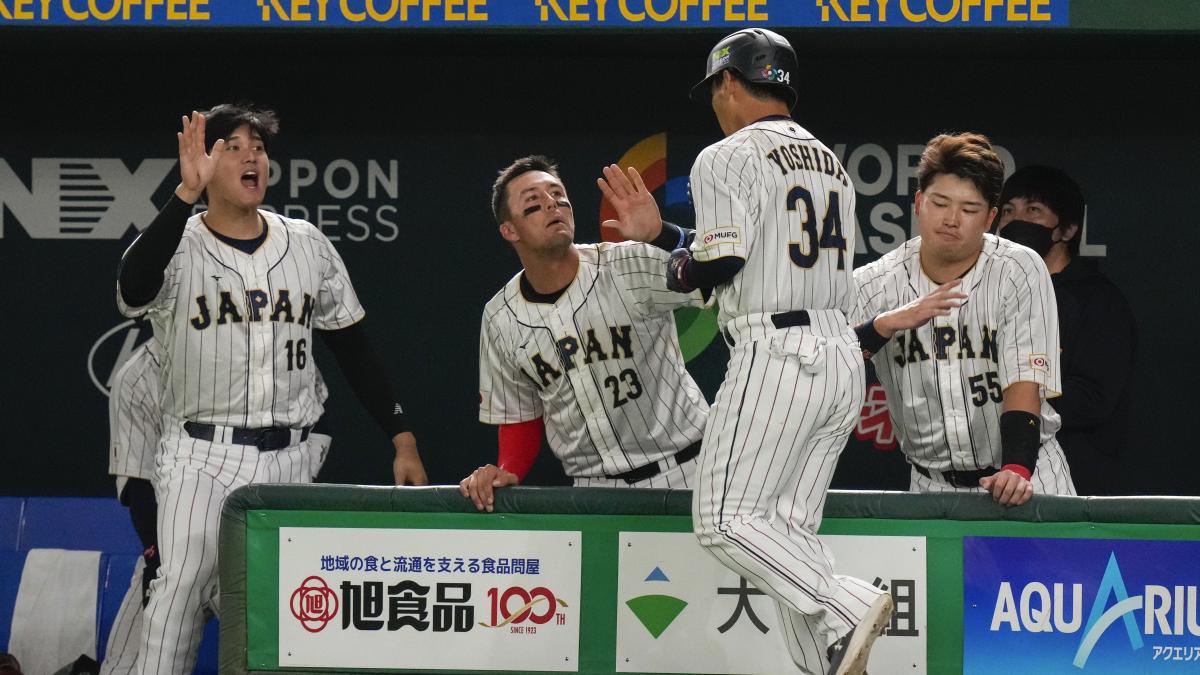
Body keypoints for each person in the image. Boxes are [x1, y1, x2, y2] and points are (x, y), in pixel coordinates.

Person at [114, 104, 425, 675]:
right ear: (205, 163)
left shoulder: (305, 242)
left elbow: (352, 345)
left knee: (281, 616)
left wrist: (400, 435)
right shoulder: (178, 243)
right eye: (230, 146)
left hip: (292, 456)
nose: (250, 155)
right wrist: (183, 195)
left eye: (257, 146)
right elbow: (133, 286)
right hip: (200, 455)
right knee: (176, 600)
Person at [642, 28, 893, 675]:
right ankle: (829, 656)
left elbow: (721, 258)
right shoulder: (829, 163)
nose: (715, 104)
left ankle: (846, 601)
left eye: (715, 91)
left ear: (729, 83)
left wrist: (675, 265)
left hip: (780, 353)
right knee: (784, 532)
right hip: (840, 355)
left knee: (723, 519)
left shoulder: (727, 154)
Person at [460, 156, 710, 511]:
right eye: (533, 203)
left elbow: (721, 268)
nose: (552, 205)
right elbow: (520, 414)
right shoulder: (500, 317)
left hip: (689, 471)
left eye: (559, 196)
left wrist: (663, 235)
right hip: (593, 493)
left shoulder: (629, 264)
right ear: (509, 230)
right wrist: (507, 469)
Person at [853, 134, 1076, 506]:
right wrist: (883, 326)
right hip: (931, 486)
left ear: (990, 217)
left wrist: (1018, 468)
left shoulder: (1018, 268)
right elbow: (828, 367)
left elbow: (1024, 379)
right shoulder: (874, 285)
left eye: (970, 209)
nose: (952, 219)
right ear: (920, 202)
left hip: (1028, 478)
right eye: (940, 203)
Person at [99, 338, 332, 675]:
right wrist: (156, 553)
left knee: (289, 661)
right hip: (180, 543)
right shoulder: (138, 375)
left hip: (259, 549)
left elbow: (321, 415)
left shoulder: (271, 343)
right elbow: (138, 482)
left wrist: (299, 477)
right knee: (124, 668)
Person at [995, 165, 1137, 495]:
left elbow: (1094, 397)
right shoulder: (991, 292)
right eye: (1008, 211)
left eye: (1033, 210)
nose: (1017, 221)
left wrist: (1017, 402)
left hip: (1073, 482)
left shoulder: (1099, 301)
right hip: (998, 477)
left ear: (1068, 229)